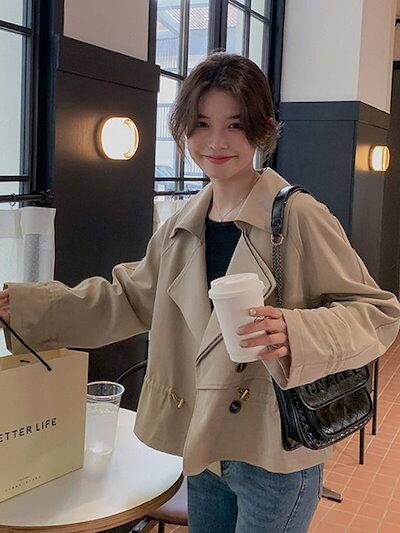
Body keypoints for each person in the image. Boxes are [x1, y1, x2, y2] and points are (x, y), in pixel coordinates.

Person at [0, 52, 399, 533]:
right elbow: (126, 300)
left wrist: (297, 330)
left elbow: (378, 312)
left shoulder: (297, 216)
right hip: (204, 446)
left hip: (274, 452)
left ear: (261, 130)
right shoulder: (181, 227)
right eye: (202, 124)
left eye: (235, 125)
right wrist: (27, 308)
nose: (216, 142)